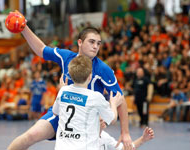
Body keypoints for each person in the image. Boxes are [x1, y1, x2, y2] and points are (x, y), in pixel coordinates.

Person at [7, 11, 133, 150]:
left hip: (86, 121)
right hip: (62, 114)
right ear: (80, 42)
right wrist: (24, 28)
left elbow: (120, 99)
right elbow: (42, 49)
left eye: (98, 43)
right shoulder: (66, 57)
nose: (96, 46)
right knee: (30, 135)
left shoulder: (103, 69)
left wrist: (125, 133)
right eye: (91, 42)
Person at [53, 55, 122, 149]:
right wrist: (113, 103)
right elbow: (112, 119)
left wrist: (63, 89)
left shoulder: (62, 91)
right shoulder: (95, 97)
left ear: (71, 75)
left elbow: (55, 112)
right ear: (90, 77)